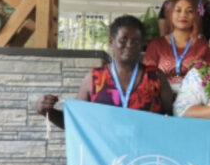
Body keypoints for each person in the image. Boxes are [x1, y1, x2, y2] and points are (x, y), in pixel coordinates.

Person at [36, 16, 173, 129]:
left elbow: (171, 123)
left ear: (142, 44)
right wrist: (47, 111)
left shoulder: (156, 77)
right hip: (105, 160)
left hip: (144, 158)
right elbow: (76, 122)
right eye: (123, 40)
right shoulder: (95, 79)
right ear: (111, 42)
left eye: (135, 41)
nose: (130, 45)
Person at [144, 0, 210, 93]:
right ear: (170, 14)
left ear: (195, 16)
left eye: (189, 11)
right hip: (161, 99)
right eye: (178, 10)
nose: (183, 15)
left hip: (195, 102)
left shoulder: (204, 46)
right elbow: (147, 77)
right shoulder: (156, 45)